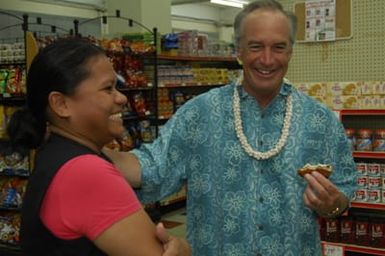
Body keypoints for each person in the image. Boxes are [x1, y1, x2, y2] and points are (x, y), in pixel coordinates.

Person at [105, 1, 358, 255]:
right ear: (239, 50)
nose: (267, 59)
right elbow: (152, 168)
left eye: (278, 47)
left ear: (291, 50)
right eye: (256, 46)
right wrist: (83, 147)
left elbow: (344, 189)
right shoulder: (199, 113)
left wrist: (333, 204)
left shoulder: (320, 120)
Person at [6, 38, 191, 255]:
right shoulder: (86, 172)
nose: (122, 98)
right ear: (61, 104)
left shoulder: (55, 152)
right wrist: (183, 249)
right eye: (108, 88)